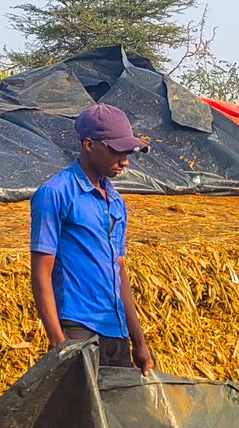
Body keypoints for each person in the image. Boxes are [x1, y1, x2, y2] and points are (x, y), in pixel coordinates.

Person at [30, 103, 154, 374]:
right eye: (116, 151)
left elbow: (118, 271)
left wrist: (139, 341)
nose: (125, 162)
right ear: (89, 145)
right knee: (80, 416)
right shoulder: (55, 193)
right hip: (78, 330)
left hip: (116, 332)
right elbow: (41, 273)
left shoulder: (117, 202)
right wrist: (59, 343)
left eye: (127, 153)